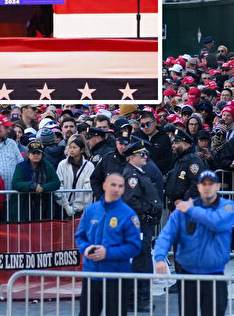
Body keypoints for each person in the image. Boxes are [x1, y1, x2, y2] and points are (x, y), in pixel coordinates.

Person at [154, 170, 234, 316]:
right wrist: (159, 257)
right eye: (203, 184)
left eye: (211, 184)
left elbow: (216, 222)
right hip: (188, 276)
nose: (207, 187)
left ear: (217, 186)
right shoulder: (183, 210)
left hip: (214, 275)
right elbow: (167, 234)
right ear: (198, 187)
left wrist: (191, 209)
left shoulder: (227, 206)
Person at [74, 173, 142, 316]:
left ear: (124, 189)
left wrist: (108, 253)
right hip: (92, 275)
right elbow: (80, 236)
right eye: (113, 185)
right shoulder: (91, 210)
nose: (116, 189)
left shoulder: (128, 214)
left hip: (116, 277)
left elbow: (134, 246)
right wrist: (86, 249)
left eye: (120, 186)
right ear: (104, 186)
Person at [121, 142, 163, 311]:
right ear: (131, 157)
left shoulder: (138, 172)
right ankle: (137, 300)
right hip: (139, 224)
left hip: (144, 223)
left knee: (143, 259)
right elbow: (131, 200)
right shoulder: (132, 175)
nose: (145, 156)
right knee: (141, 261)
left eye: (145, 153)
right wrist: (148, 211)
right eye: (141, 154)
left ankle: (140, 298)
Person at [10, 141, 61, 222]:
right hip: (24, 207)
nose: (36, 155)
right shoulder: (21, 166)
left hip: (43, 206)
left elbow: (56, 182)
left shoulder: (47, 165)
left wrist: (42, 188)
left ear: (42, 155)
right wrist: (32, 186)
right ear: (29, 155)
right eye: (33, 153)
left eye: (38, 153)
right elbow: (16, 183)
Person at [56, 135, 94, 219]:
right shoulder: (62, 164)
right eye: (70, 147)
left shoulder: (89, 166)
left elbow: (87, 188)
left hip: (82, 210)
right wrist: (66, 206)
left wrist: (75, 207)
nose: (71, 150)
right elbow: (59, 185)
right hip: (64, 208)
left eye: (75, 147)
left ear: (82, 150)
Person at [164, 128, 204, 210]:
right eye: (173, 143)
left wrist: (184, 202)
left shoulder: (193, 161)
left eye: (176, 143)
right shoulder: (180, 159)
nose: (173, 145)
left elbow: (196, 185)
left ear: (185, 145)